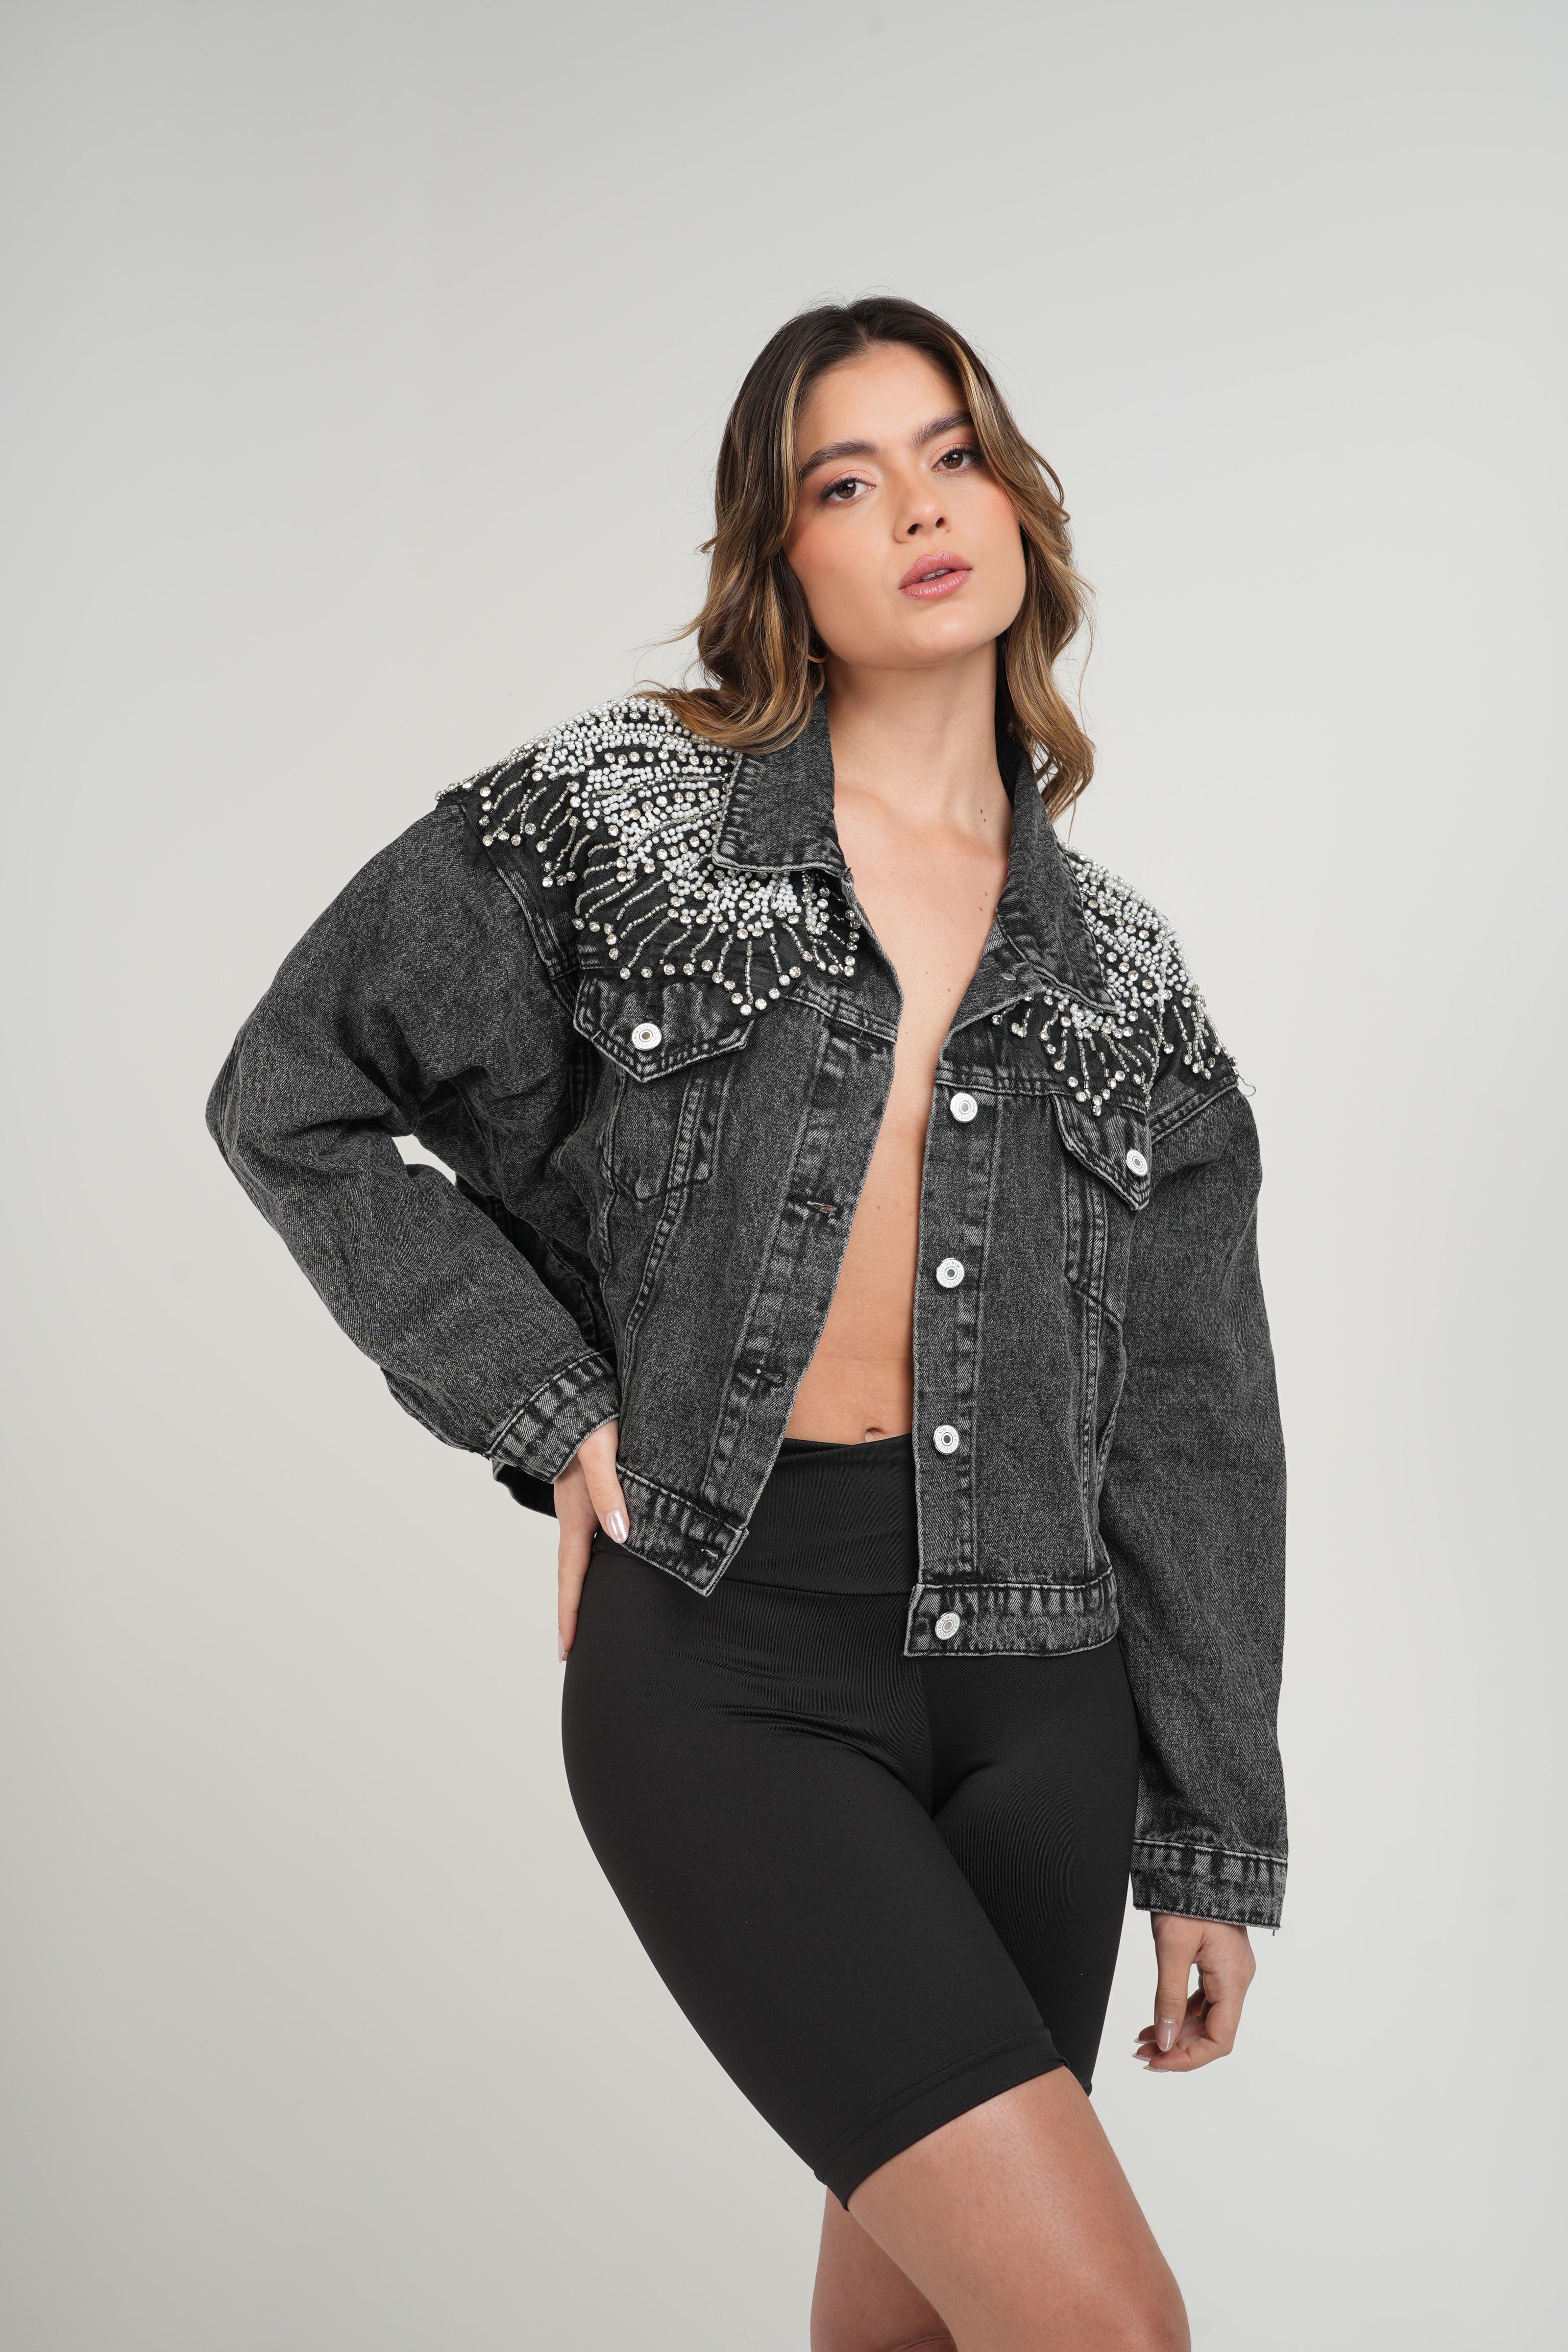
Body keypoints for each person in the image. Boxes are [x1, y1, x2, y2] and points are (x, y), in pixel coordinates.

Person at [207, 296, 1287, 2352]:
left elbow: (1195, 1419)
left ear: (1017, 503)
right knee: (1104, 2326)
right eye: (846, 483)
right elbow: (295, 1092)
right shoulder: (625, 820)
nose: (920, 512)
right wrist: (551, 1403)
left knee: (920, 2331)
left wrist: (1214, 1832)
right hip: (729, 1664)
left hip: (1046, 1697)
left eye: (952, 457)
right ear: (778, 551)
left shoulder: (1128, 974)